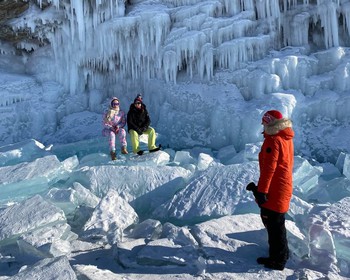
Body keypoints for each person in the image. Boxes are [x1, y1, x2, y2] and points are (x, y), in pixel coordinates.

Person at [246, 110, 294, 271]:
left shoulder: (273, 141)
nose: (263, 126)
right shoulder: (285, 138)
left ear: (270, 123)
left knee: (273, 225)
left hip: (275, 190)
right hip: (283, 186)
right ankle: (282, 254)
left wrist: (262, 192)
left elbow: (269, 169)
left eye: (264, 123)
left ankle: (278, 260)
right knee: (277, 224)